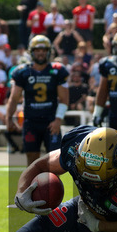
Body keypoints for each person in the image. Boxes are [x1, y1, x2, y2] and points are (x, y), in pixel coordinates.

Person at [5, 35, 69, 166]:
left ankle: (52, 181)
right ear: (31, 52)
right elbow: (14, 98)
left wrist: (58, 120)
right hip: (31, 122)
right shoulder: (22, 71)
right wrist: (9, 118)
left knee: (55, 161)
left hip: (51, 121)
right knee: (32, 162)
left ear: (49, 51)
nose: (41, 53)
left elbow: (64, 99)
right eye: (37, 50)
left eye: (44, 50)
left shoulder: (57, 70)